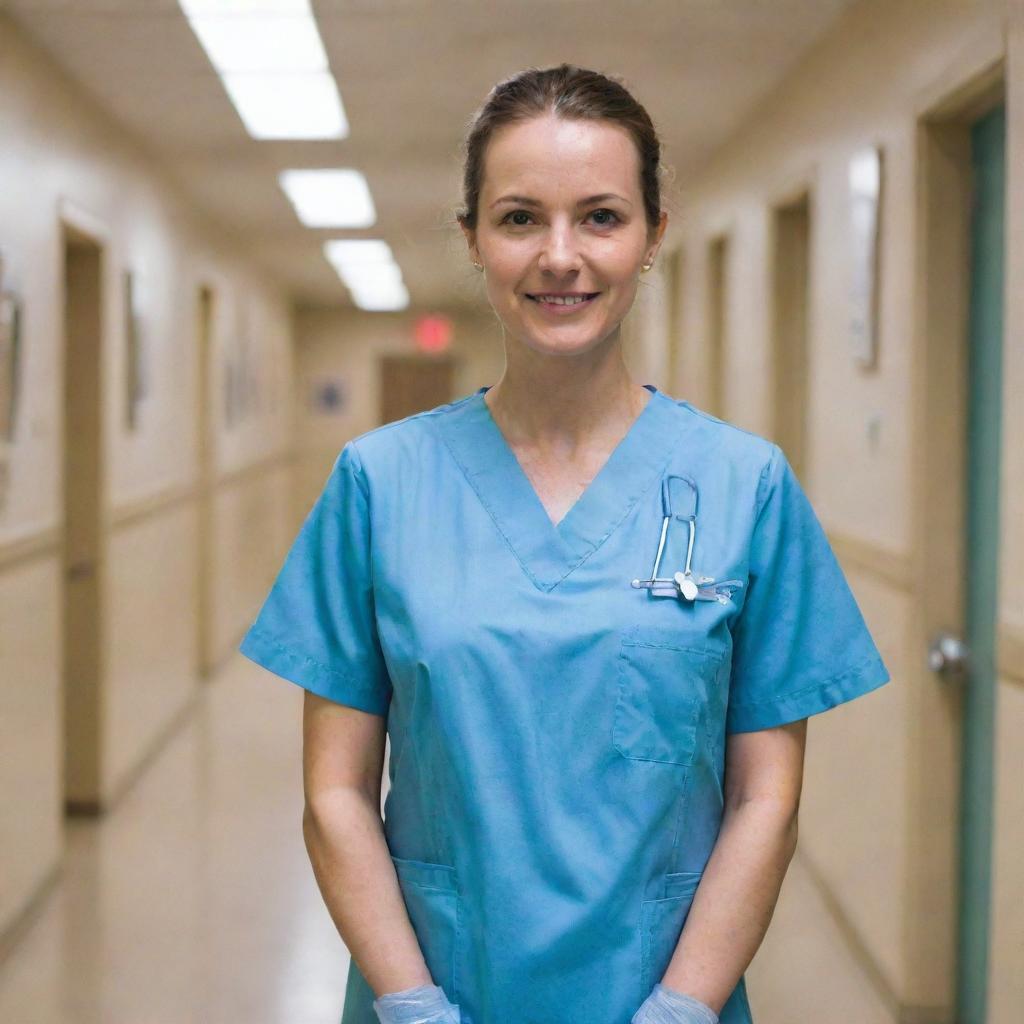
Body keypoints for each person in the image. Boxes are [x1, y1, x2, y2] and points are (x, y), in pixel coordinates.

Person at [239, 64, 891, 1024]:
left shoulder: (744, 485)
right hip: (432, 987)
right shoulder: (380, 483)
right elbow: (335, 791)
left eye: (599, 217)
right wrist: (412, 1003)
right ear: (472, 238)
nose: (560, 256)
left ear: (652, 233)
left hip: (668, 993)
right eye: (517, 219)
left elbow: (766, 802)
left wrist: (681, 1007)